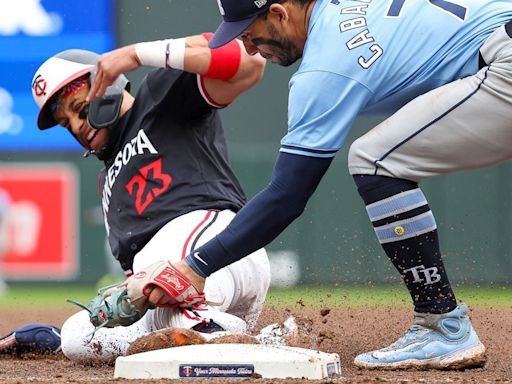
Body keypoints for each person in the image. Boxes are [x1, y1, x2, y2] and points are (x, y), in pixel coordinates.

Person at [89, 0, 512, 369]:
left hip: (502, 64)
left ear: (278, 12)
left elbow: (286, 197)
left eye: (250, 34)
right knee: (380, 153)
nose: (250, 47)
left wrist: (194, 267)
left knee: (376, 159)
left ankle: (442, 324)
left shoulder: (325, 64)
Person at [31, 32, 270, 363]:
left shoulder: (159, 97)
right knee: (79, 336)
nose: (76, 127)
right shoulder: (107, 180)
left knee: (171, 303)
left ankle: (209, 329)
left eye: (79, 108)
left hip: (217, 253)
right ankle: (235, 334)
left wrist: (136, 53)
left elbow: (250, 62)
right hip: (173, 298)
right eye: (65, 123)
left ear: (108, 84)